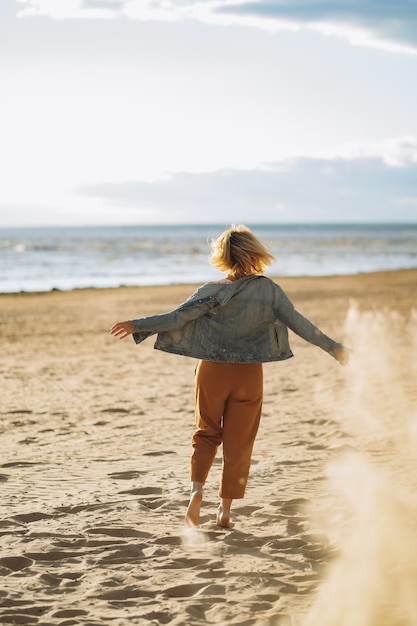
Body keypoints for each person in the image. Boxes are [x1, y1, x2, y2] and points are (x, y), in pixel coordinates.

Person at [110, 225, 348, 529]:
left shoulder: (213, 290)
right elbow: (300, 323)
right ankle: (224, 512)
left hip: (212, 372)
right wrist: (334, 347)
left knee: (206, 434)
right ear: (255, 252)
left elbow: (176, 317)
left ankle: (196, 492)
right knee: (240, 442)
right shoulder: (270, 290)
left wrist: (136, 324)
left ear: (222, 256)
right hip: (249, 374)